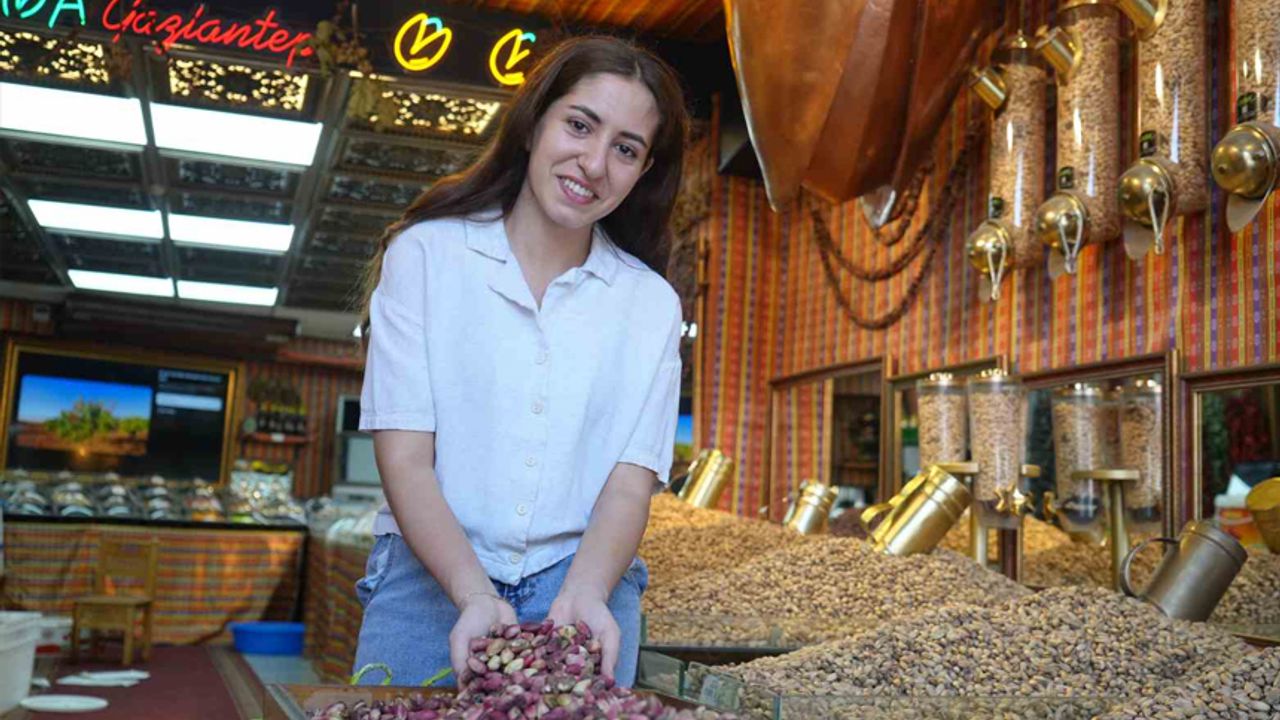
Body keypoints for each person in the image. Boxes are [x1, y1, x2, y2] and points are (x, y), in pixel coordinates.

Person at [352, 35, 690, 689]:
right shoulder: (425, 257)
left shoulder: (651, 305)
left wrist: (588, 591)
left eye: (626, 149)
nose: (594, 162)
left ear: (644, 171)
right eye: (579, 125)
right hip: (429, 572)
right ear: (534, 122)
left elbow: (629, 483)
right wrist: (473, 593)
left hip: (585, 577)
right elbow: (405, 459)